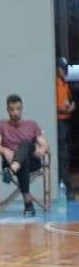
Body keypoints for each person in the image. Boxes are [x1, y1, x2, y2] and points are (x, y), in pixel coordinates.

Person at [0, 94, 49, 216]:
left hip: (31, 162)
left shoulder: (31, 124)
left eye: (18, 109)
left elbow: (44, 144)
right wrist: (5, 150)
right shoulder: (0, 125)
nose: (15, 112)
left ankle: (12, 170)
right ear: (7, 110)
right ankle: (28, 203)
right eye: (12, 109)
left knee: (26, 143)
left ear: (22, 109)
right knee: (23, 161)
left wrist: (42, 150)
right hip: (10, 161)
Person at [57, 59, 73, 193]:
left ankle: (66, 181)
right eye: (63, 69)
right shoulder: (55, 83)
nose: (65, 71)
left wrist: (72, 106)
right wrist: (65, 109)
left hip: (67, 122)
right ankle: (64, 182)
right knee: (62, 154)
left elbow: (70, 100)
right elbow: (54, 105)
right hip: (59, 122)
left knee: (66, 153)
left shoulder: (65, 84)